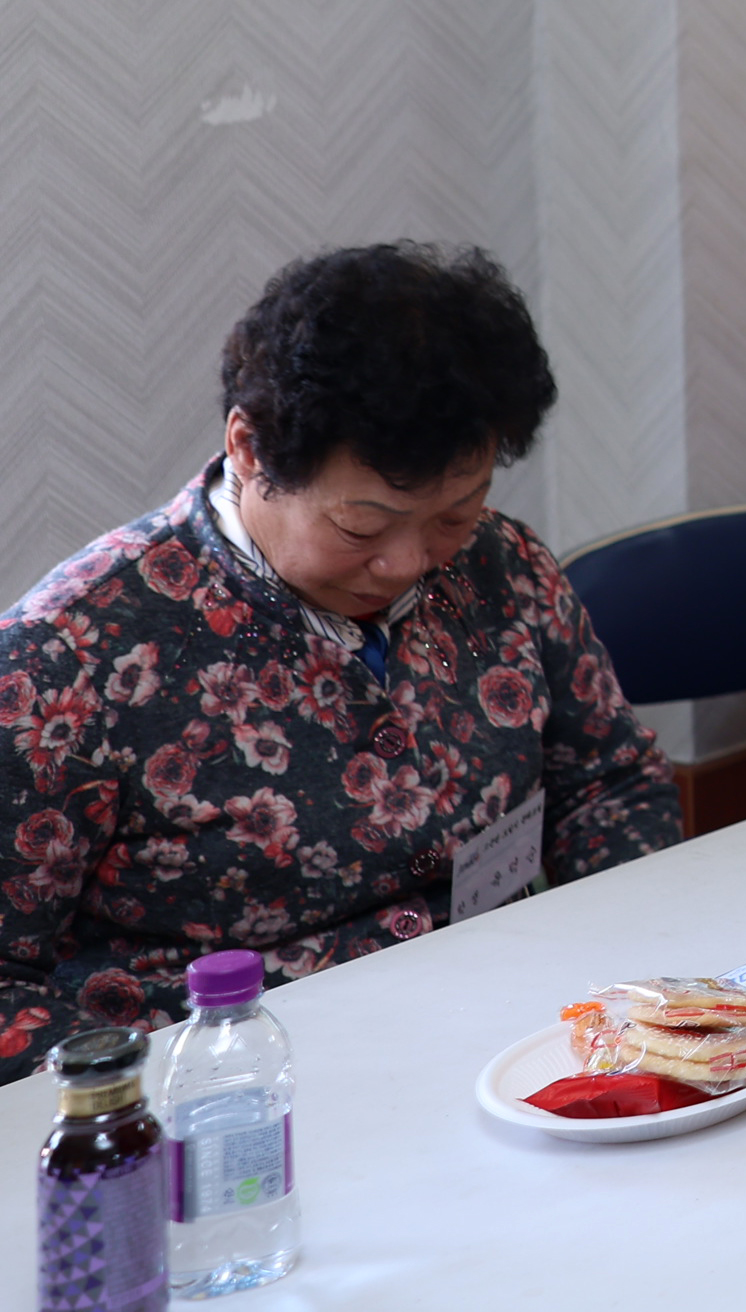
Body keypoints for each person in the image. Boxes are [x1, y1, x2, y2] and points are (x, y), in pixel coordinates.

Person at [0, 246, 680, 1079]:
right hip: (236, 1095)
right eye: (362, 528)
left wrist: (621, 980)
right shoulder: (67, 657)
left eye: (453, 517)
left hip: (519, 1037)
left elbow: (611, 782)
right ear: (250, 451)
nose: (410, 564)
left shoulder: (500, 564)